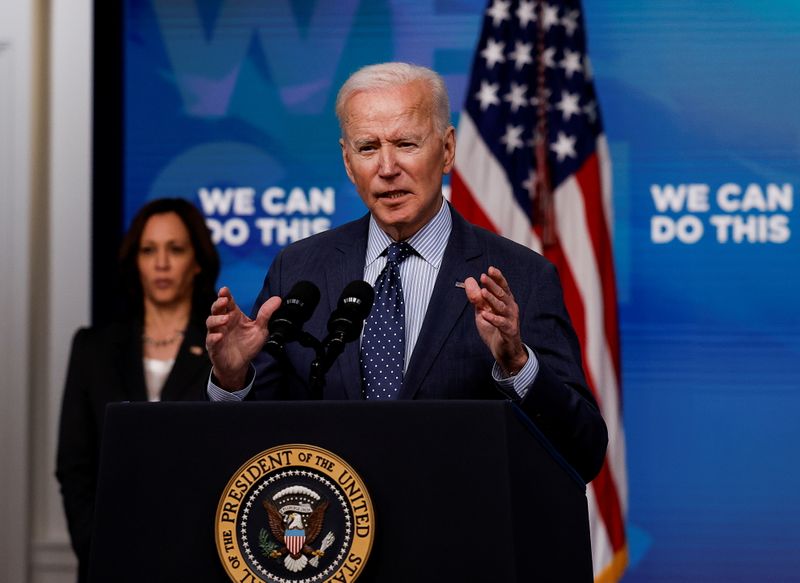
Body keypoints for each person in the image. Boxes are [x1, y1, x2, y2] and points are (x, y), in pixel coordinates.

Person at [205, 62, 608, 482]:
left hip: (461, 538)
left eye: (406, 144)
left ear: (447, 149)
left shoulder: (522, 276)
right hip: (335, 539)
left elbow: (583, 450)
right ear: (346, 161)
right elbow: (253, 451)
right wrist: (232, 379)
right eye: (367, 148)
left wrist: (517, 364)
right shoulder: (300, 269)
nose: (387, 167)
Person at [55, 198, 220, 583]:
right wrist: (96, 546)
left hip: (200, 559)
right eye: (149, 250)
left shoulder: (223, 348)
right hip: (110, 558)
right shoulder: (93, 348)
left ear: (196, 261)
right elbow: (74, 466)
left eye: (175, 249)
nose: (161, 263)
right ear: (136, 261)